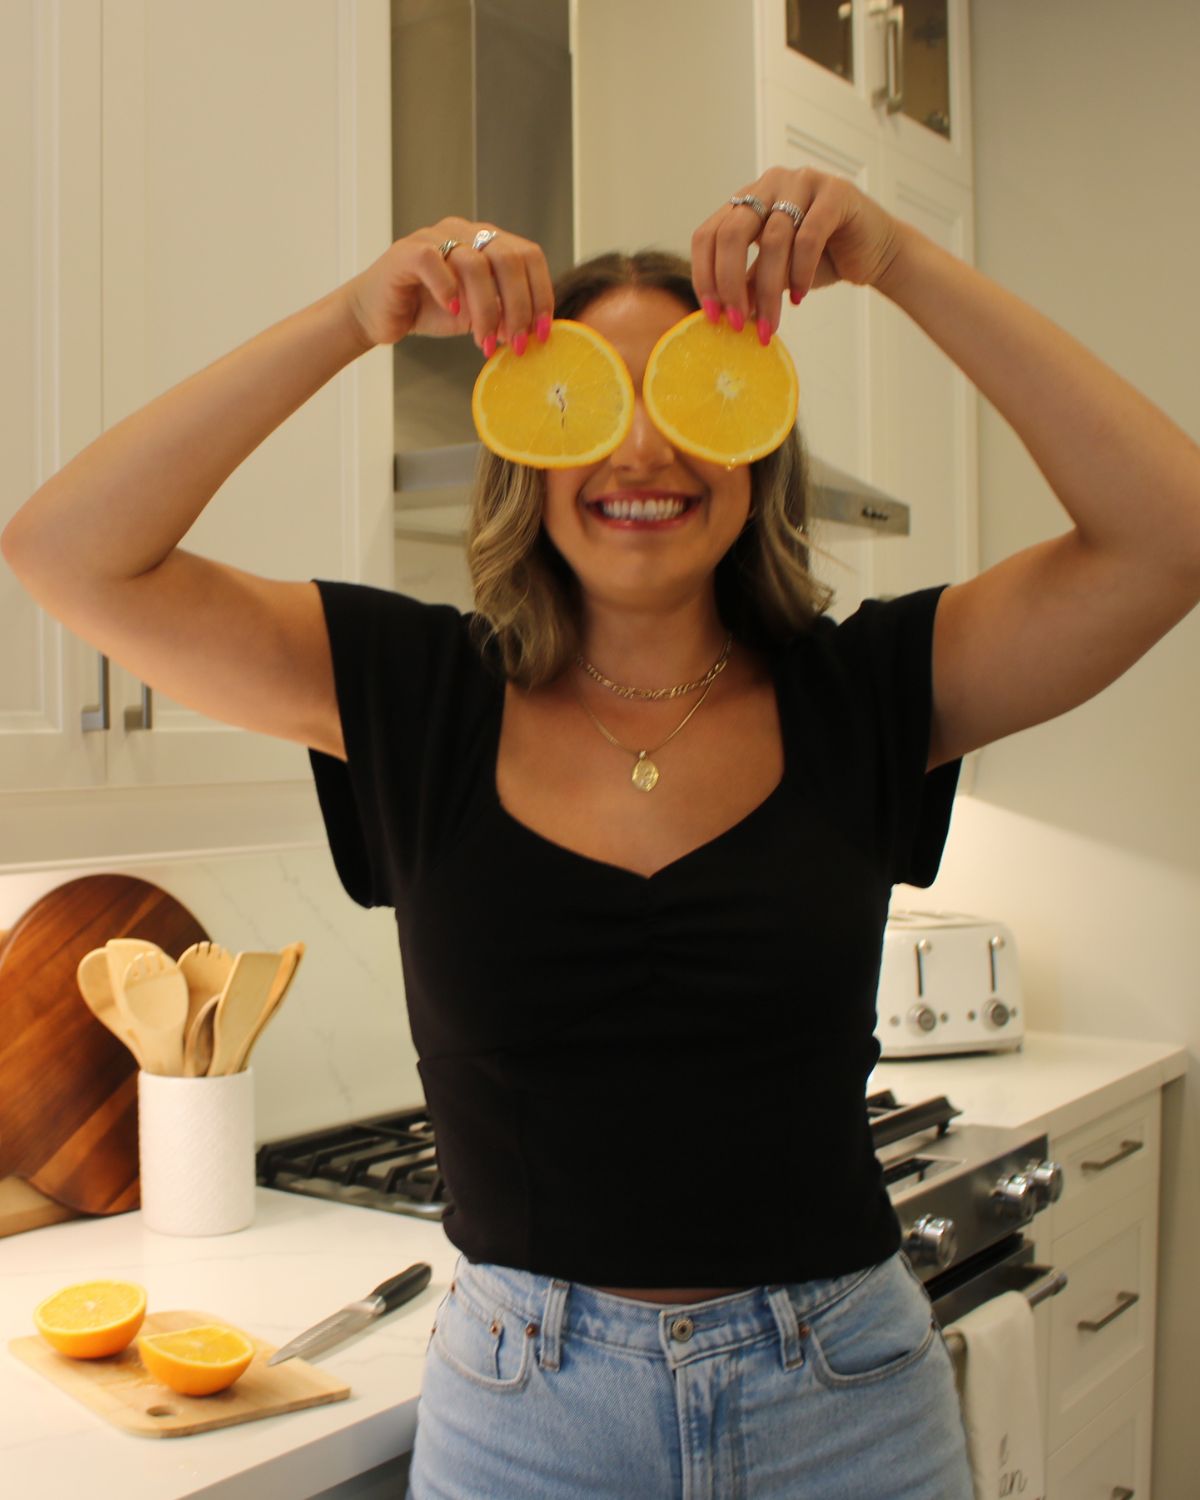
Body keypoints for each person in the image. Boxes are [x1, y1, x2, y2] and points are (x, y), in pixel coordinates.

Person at [4, 165, 1199, 1498]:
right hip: (527, 1417)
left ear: (758, 441)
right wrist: (355, 317)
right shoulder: (409, 695)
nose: (641, 452)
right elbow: (68, 550)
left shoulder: (872, 691)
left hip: (846, 1401)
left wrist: (902, 261)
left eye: (687, 398)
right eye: (585, 406)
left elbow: (1171, 532)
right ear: (526, 450)